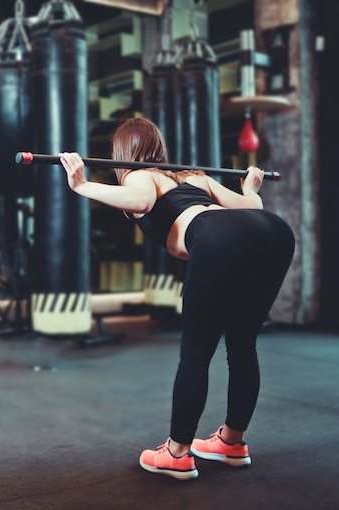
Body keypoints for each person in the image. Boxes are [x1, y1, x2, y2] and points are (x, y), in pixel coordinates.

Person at [59, 117, 295, 481]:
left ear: (123, 154)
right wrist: (251, 186)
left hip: (217, 237)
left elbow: (139, 199)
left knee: (197, 352)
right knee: (243, 345)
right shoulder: (194, 176)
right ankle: (232, 442)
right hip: (275, 233)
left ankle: (178, 453)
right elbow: (254, 208)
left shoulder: (141, 174)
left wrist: (82, 186)